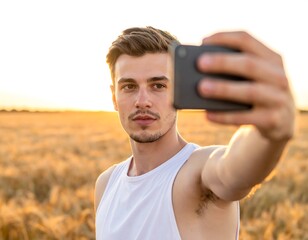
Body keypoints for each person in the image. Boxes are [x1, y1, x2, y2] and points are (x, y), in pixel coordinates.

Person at [94, 26, 295, 240]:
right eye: (128, 87)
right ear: (114, 97)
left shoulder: (197, 174)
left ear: (179, 89)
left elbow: (232, 171)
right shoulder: (106, 184)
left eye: (158, 85)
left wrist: (270, 135)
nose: (142, 101)